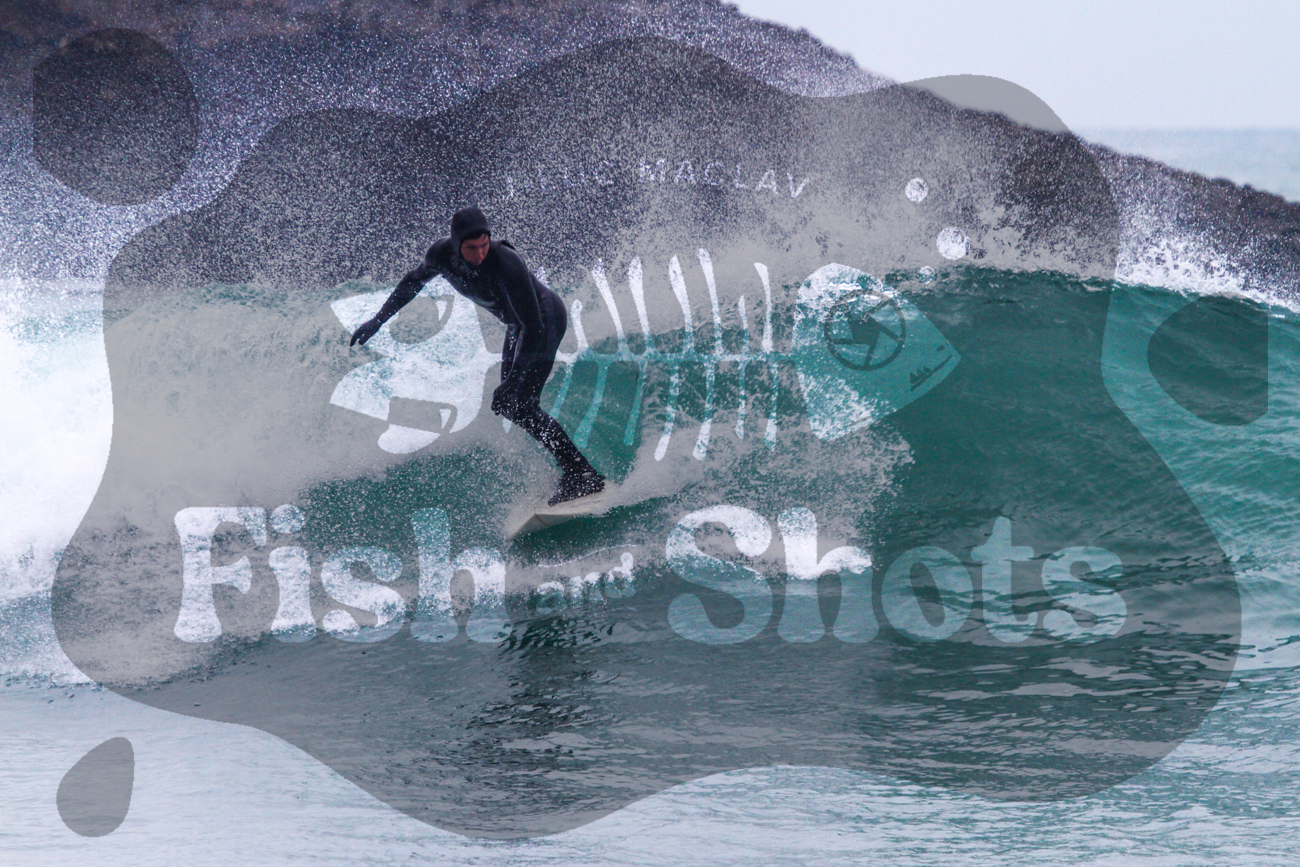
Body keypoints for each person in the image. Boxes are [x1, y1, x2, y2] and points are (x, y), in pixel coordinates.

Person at [350, 207, 605, 506]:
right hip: (518, 325)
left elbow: (534, 327)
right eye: (472, 248)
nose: (480, 254)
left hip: (543, 319)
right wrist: (378, 321)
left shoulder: (506, 261)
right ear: (456, 244)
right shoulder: (440, 255)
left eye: (484, 245)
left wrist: (513, 380)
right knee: (512, 406)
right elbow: (413, 281)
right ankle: (573, 469)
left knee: (521, 401)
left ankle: (582, 474)